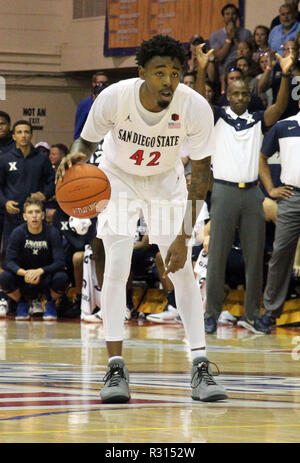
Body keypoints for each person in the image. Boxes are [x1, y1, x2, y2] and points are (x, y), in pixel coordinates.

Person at [56, 34, 227, 403]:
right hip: (117, 179)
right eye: (160, 72)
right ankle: (115, 366)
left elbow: (201, 175)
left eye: (176, 73)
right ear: (142, 73)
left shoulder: (195, 107)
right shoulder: (115, 98)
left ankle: (200, 364)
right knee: (116, 267)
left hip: (166, 181)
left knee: (181, 271)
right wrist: (76, 156)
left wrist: (184, 236)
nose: (169, 81)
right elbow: (85, 143)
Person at [195, 43, 294, 334]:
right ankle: (210, 314)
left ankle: (252, 315)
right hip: (224, 192)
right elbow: (200, 100)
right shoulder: (217, 117)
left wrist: (285, 76)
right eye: (235, 93)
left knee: (254, 258)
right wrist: (201, 70)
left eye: (244, 94)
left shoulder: (256, 119)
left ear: (249, 96)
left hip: (253, 193)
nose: (239, 98)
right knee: (218, 258)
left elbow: (278, 108)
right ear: (227, 94)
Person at [254, 100, 300, 334]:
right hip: (292, 196)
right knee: (280, 255)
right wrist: (271, 189)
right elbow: (261, 157)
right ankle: (270, 314)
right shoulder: (284, 126)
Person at [0, 197, 69, 320]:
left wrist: (40, 271)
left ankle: (50, 303)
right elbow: (7, 262)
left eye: (37, 212)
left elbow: (60, 262)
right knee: (4, 277)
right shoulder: (18, 233)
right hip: (24, 278)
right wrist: (25, 273)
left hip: (45, 276)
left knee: (62, 278)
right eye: (30, 212)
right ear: (25, 216)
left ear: (43, 215)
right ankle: (22, 303)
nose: (34, 216)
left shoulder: (52, 232)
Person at [0, 120, 55, 253]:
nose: (23, 135)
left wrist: (45, 194)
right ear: (14, 136)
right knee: (10, 254)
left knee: (34, 253)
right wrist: (5, 202)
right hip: (13, 213)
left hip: (34, 214)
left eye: (26, 132)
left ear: (31, 135)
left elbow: (52, 181)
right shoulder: (5, 159)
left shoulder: (42, 158)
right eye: (19, 132)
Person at [52, 207, 97, 318]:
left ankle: (80, 297)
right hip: (67, 252)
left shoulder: (91, 211)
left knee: (78, 258)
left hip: (90, 250)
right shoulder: (59, 214)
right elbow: (56, 240)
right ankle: (57, 300)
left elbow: (83, 243)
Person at [209, 3, 251, 76]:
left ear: (237, 16)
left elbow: (246, 55)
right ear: (223, 17)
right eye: (227, 14)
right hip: (224, 72)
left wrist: (235, 37)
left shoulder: (246, 33)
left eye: (233, 14)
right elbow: (219, 57)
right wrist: (229, 38)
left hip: (244, 70)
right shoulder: (215, 35)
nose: (230, 16)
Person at [74, 71, 109, 140]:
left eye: (105, 83)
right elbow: (79, 127)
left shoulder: (111, 102)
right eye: (100, 82)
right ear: (94, 84)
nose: (103, 85)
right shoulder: (85, 104)